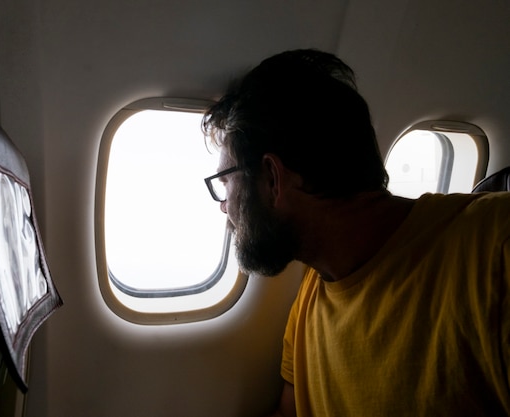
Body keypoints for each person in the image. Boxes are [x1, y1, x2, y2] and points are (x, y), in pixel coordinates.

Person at [202, 49, 510, 416]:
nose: (224, 206)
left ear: (272, 178)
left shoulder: (494, 250)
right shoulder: (315, 290)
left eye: (225, 181)